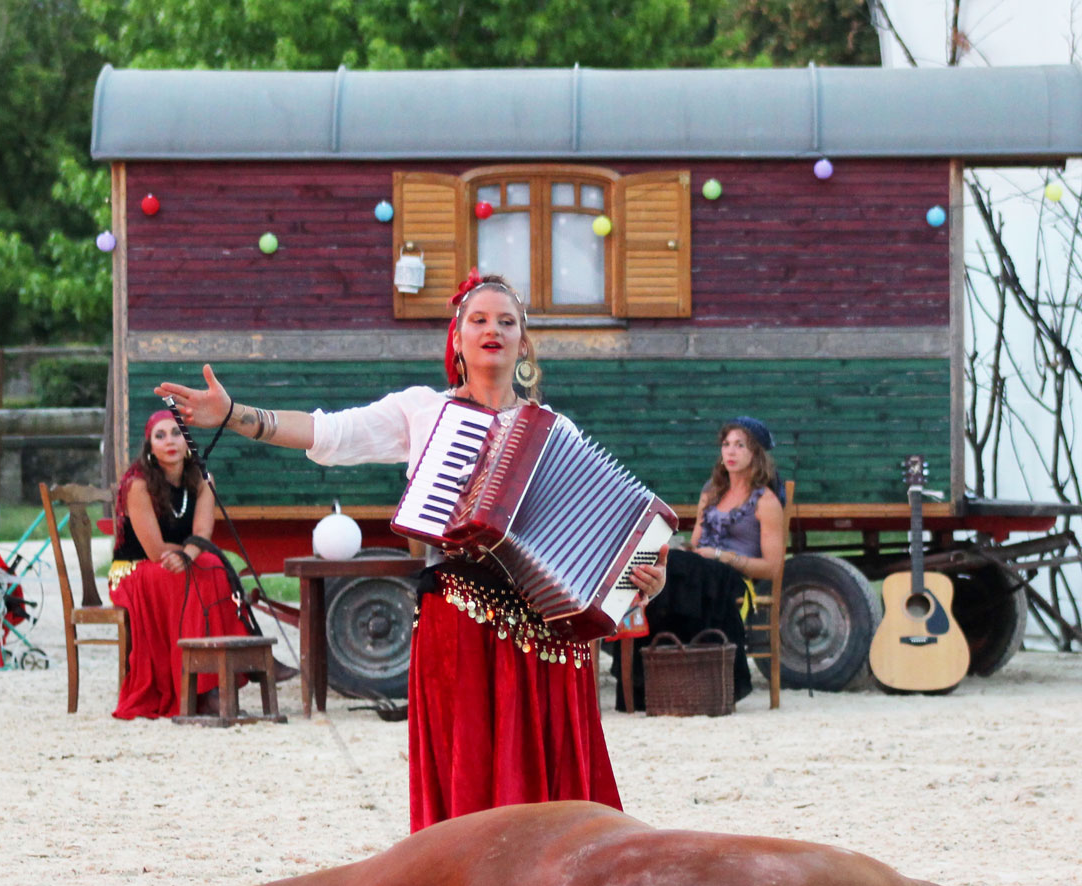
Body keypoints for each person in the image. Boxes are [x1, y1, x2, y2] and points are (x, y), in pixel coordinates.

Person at [155, 272, 667, 831]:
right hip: (460, 618)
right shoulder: (425, 411)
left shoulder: (556, 430)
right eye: (479, 319)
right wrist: (234, 415)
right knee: (467, 776)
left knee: (552, 793)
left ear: (525, 343)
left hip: (544, 634)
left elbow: (598, 548)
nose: (492, 329)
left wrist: (641, 581)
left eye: (507, 321)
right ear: (457, 339)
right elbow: (328, 434)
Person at [612, 418, 785, 709]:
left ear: (756, 453)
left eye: (740, 445)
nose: (730, 452)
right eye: (726, 444)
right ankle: (646, 682)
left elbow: (772, 568)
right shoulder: (711, 492)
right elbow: (696, 543)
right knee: (658, 564)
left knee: (680, 568)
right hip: (701, 572)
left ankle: (651, 679)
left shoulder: (766, 501)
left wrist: (721, 556)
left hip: (733, 576)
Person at [108, 409, 247, 720]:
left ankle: (220, 681)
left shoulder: (202, 479)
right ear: (150, 446)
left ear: (187, 442)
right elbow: (155, 550)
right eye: (160, 435)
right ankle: (200, 691)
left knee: (213, 566)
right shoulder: (138, 485)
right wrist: (190, 555)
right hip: (135, 570)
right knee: (196, 573)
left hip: (180, 561)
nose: (169, 441)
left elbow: (202, 534)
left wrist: (189, 555)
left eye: (176, 433)